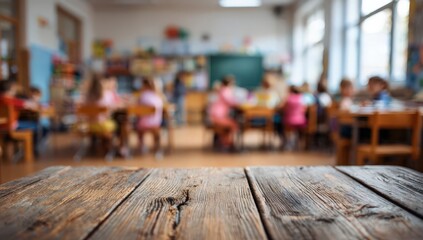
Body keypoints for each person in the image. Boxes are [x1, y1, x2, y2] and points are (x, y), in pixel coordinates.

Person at [0, 80, 39, 153]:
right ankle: (31, 150)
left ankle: (19, 148)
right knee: (35, 125)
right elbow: (29, 104)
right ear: (11, 89)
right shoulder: (10, 100)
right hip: (11, 126)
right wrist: (34, 100)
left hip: (1, 126)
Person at [137, 77, 164, 159]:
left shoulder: (143, 96)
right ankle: (157, 150)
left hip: (142, 124)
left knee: (135, 123)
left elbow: (138, 109)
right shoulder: (158, 96)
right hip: (156, 123)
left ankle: (142, 146)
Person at [208, 76, 238, 150]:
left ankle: (227, 143)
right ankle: (228, 143)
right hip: (218, 116)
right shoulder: (226, 90)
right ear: (230, 83)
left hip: (216, 115)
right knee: (233, 125)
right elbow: (231, 102)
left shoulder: (222, 90)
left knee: (230, 125)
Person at [282, 86, 307, 150]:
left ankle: (288, 142)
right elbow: (304, 109)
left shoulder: (288, 97)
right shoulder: (302, 98)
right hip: (301, 121)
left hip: (289, 120)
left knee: (283, 125)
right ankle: (298, 142)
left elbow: (283, 108)